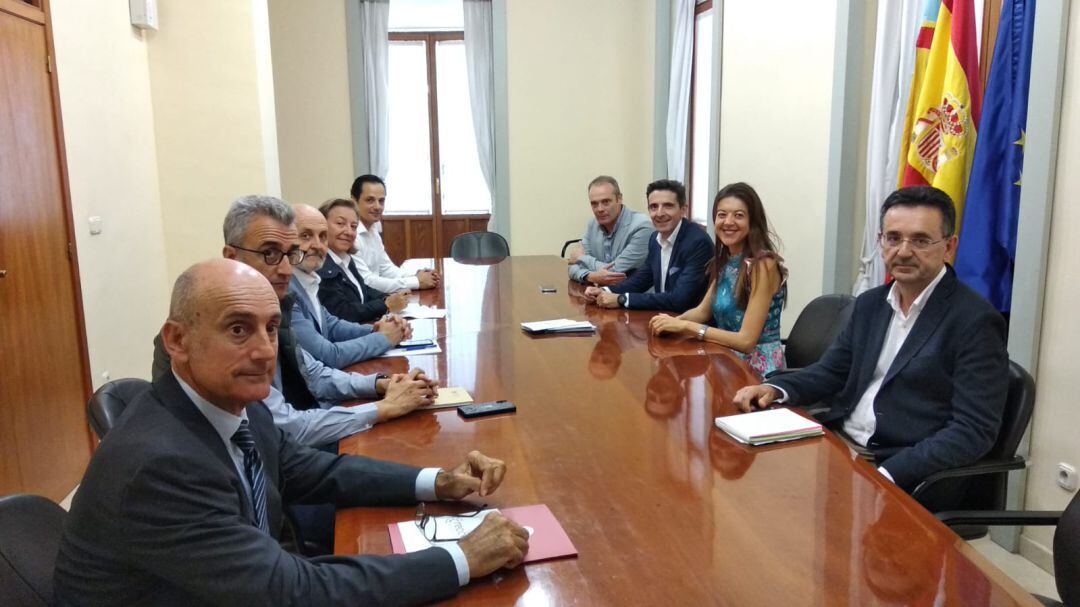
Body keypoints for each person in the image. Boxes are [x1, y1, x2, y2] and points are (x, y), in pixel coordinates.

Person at [55, 259, 529, 606]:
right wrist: (462, 558)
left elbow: (317, 471)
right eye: (239, 330)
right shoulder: (160, 467)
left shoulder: (235, 406)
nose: (264, 351)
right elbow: (290, 592)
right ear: (177, 340)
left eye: (271, 328)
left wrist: (437, 480)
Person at [732, 186, 1009, 510]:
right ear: (880, 241)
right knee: (750, 494)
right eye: (893, 238)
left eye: (920, 240)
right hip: (838, 445)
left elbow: (972, 430)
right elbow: (830, 372)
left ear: (949, 247)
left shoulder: (974, 321)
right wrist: (774, 388)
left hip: (901, 467)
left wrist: (890, 473)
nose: (904, 251)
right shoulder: (871, 305)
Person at [152, 195, 434, 447]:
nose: (287, 269)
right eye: (271, 254)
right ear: (231, 257)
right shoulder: (207, 324)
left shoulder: (278, 306)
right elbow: (285, 427)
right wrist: (383, 407)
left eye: (290, 253)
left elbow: (314, 372)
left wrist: (382, 383)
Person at [650, 182, 788, 377]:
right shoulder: (725, 261)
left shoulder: (763, 265)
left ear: (753, 221)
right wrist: (670, 323)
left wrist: (687, 327)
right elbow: (702, 311)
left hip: (759, 373)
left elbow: (746, 341)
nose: (728, 222)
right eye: (722, 215)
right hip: (725, 362)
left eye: (738, 215)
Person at [290, 203, 409, 368]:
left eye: (322, 236)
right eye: (305, 236)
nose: (317, 244)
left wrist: (379, 329)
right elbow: (328, 355)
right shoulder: (286, 289)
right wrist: (383, 337)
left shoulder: (309, 277)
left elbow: (331, 325)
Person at [584, 179, 711, 312]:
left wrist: (622, 299)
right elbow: (642, 279)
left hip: (688, 324)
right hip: (663, 318)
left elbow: (679, 300)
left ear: (683, 209)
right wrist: (603, 290)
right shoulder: (654, 239)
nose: (660, 213)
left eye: (668, 206)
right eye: (654, 207)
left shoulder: (698, 243)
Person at [318, 197, 408, 323]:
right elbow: (344, 312)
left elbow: (363, 289)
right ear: (321, 226)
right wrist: (385, 305)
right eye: (340, 224)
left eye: (354, 226)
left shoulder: (345, 259)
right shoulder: (321, 265)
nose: (349, 232)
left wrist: (388, 298)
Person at [350, 174, 442, 292]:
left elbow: (387, 269)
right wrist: (417, 281)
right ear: (354, 201)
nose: (378, 207)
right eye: (370, 200)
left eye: (381, 201)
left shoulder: (373, 229)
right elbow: (367, 281)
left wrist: (417, 274)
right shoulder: (351, 235)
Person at [567, 175, 653, 285]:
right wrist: (590, 276)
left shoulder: (642, 226)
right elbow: (572, 268)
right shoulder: (592, 224)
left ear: (619, 199)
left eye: (606, 202)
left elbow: (614, 272)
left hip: (633, 298)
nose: (600, 209)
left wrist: (581, 257)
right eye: (594, 204)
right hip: (601, 294)